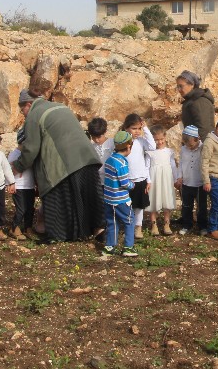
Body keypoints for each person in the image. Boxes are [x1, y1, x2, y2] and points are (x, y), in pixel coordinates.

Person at [12, 89, 105, 243]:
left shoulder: (34, 116)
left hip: (63, 164)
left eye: (23, 110)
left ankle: (58, 235)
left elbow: (31, 148)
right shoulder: (61, 107)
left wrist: (18, 166)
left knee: (60, 198)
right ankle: (99, 229)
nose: (24, 114)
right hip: (87, 157)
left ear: (29, 104)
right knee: (90, 196)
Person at [176, 70, 218, 232]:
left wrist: (204, 148)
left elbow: (205, 127)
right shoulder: (192, 100)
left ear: (192, 85)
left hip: (202, 146)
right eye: (177, 86)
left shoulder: (200, 102)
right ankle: (197, 216)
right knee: (203, 183)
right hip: (196, 144)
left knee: (212, 183)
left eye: (181, 86)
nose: (178, 89)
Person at [101, 131, 139, 257]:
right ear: (129, 147)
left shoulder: (109, 160)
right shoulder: (122, 163)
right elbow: (124, 183)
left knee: (112, 222)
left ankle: (109, 246)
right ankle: (128, 247)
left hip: (108, 199)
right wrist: (132, 185)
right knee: (129, 221)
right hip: (121, 200)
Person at [145, 125, 177, 236]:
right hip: (154, 178)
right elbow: (146, 167)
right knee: (153, 200)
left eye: (161, 139)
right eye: (156, 140)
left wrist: (176, 178)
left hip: (166, 179)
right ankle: (154, 225)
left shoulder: (169, 152)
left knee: (166, 200)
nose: (159, 142)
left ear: (165, 138)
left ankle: (167, 224)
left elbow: (173, 166)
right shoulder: (150, 153)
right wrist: (148, 180)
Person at [175, 125, 205, 236]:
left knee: (201, 207)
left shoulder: (203, 148)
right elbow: (181, 163)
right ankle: (187, 224)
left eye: (191, 145)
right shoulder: (184, 149)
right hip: (187, 183)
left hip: (199, 183)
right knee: (186, 206)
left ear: (197, 139)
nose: (189, 147)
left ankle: (202, 226)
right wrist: (179, 176)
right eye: (187, 145)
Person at [7, 128, 36, 241]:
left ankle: (28, 227)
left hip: (29, 186)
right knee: (21, 209)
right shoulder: (15, 155)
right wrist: (10, 183)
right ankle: (14, 227)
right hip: (19, 186)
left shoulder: (28, 155)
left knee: (30, 208)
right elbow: (9, 170)